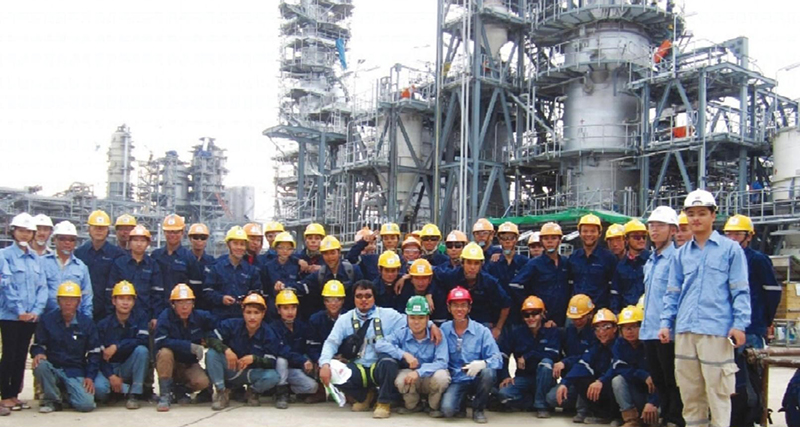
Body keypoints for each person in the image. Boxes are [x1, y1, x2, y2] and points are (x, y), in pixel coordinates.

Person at [659, 189, 751, 427]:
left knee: (718, 392)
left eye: (701, 213)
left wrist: (739, 325)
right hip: (686, 331)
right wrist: (666, 323)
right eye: (691, 214)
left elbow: (740, 291)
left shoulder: (730, 250)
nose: (696, 219)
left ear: (713, 215)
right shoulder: (681, 255)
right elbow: (672, 292)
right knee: (690, 393)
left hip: (716, 331)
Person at [317, 280, 409, 419]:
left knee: (389, 362)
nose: (363, 300)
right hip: (357, 367)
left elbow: (413, 321)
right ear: (353, 298)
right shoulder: (345, 319)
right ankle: (365, 397)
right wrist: (324, 364)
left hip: (379, 366)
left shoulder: (389, 315)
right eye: (359, 296)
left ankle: (383, 403)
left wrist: (431, 326)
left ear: (374, 297)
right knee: (331, 368)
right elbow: (331, 342)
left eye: (368, 296)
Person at [640, 206, 683, 427]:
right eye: (652, 226)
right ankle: (666, 417)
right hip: (649, 329)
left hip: (667, 331)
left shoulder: (676, 259)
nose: (654, 230)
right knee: (658, 379)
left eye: (660, 226)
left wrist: (668, 324)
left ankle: (675, 419)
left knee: (672, 379)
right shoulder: (651, 260)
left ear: (673, 230)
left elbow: (675, 296)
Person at [0, 213, 46, 414]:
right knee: (9, 354)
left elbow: (42, 287)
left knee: (20, 356)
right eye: (21, 230)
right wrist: (19, 310)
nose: (25, 235)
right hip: (10, 316)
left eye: (29, 231)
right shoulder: (4, 256)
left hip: (30, 317)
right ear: (13, 231)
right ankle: (5, 395)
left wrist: (36, 311)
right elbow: (6, 285)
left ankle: (14, 395)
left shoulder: (36, 258)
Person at [31, 282, 100, 413]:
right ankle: (52, 401)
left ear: (79, 302)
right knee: (40, 364)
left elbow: (94, 353)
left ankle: (64, 394)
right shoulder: (47, 320)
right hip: (53, 368)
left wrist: (90, 377)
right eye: (64, 299)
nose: (68, 303)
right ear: (58, 301)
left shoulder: (86, 323)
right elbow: (37, 345)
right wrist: (39, 353)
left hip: (75, 371)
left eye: (72, 300)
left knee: (86, 405)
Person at [375, 296, 450, 416]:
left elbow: (442, 362)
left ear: (427, 319)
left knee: (442, 377)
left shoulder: (437, 335)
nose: (416, 322)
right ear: (407, 318)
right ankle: (413, 405)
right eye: (412, 317)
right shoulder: (402, 333)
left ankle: (433, 406)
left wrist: (419, 372)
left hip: (429, 377)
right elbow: (380, 344)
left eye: (421, 318)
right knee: (401, 380)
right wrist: (403, 354)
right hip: (411, 378)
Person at [205, 292, 282, 410]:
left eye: (256, 313)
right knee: (212, 353)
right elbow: (210, 338)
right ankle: (221, 392)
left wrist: (254, 359)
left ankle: (252, 392)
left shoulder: (269, 333)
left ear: (263, 314)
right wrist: (226, 350)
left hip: (251, 373)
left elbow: (272, 361)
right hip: (231, 368)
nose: (252, 317)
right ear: (243, 312)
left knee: (273, 376)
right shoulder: (231, 324)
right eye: (248, 312)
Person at [439, 287, 502, 423]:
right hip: (457, 379)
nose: (459, 309)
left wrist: (483, 364)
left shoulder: (482, 331)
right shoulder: (443, 329)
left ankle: (478, 409)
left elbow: (498, 358)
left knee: (489, 373)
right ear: (449, 308)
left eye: (463, 305)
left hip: (476, 379)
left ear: (469, 308)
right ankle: (462, 402)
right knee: (448, 410)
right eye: (455, 305)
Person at [723, 214, 781, 349]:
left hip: (751, 328)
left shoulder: (757, 260)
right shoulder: (722, 260)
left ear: (749, 237)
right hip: (725, 327)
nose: (732, 238)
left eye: (737, 234)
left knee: (750, 361)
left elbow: (772, 293)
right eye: (728, 234)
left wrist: (766, 321)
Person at [153, 284, 215, 412]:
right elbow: (160, 341)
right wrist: (188, 346)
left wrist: (208, 339)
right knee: (165, 353)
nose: (185, 307)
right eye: (180, 303)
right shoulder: (165, 316)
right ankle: (165, 395)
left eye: (188, 302)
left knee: (203, 382)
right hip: (171, 363)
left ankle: (179, 390)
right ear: (173, 304)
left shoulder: (200, 317)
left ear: (193, 303)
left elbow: (216, 327)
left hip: (189, 363)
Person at [497, 296, 560, 418]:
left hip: (545, 379)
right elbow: (503, 354)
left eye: (535, 313)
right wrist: (505, 376)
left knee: (546, 363)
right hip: (524, 378)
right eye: (527, 315)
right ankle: (533, 402)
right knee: (503, 395)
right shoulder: (517, 333)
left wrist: (527, 356)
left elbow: (553, 354)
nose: (531, 318)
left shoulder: (552, 331)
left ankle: (542, 406)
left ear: (542, 314)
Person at [555, 308, 620, 424]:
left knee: (617, 381)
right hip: (603, 385)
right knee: (580, 378)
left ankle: (619, 416)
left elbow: (617, 367)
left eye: (606, 327)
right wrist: (565, 383)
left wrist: (601, 381)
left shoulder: (620, 346)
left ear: (615, 328)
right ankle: (602, 415)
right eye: (597, 328)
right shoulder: (597, 346)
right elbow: (583, 363)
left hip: (615, 387)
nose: (601, 332)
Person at [435, 242, 511, 339]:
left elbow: (506, 304)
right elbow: (433, 273)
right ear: (462, 263)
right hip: (456, 322)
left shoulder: (489, 282)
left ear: (481, 265)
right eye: (469, 262)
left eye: (476, 263)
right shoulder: (451, 276)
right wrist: (429, 293)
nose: (472, 267)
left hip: (483, 323)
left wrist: (498, 328)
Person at [93, 281, 150, 409]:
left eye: (129, 299)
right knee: (100, 390)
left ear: (134, 302)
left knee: (142, 351)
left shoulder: (140, 318)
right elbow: (98, 355)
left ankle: (134, 394)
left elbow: (142, 340)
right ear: (114, 301)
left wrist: (117, 346)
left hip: (127, 367)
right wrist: (111, 376)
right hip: (109, 368)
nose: (125, 303)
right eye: (121, 299)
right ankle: (118, 391)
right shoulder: (103, 325)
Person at [547, 294, 597, 421]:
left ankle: (586, 409)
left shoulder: (597, 333)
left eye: (580, 318)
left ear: (590, 314)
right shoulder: (569, 331)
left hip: (590, 377)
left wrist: (565, 362)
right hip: (572, 377)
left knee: (584, 376)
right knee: (551, 398)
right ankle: (575, 404)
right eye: (574, 318)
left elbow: (587, 358)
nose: (577, 321)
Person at [509, 222, 570, 326]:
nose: (550, 242)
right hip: (541, 320)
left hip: (562, 318)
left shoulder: (566, 263)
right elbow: (515, 285)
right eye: (546, 239)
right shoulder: (534, 264)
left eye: (554, 238)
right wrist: (531, 306)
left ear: (560, 240)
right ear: (541, 241)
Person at [609, 305, 659, 427]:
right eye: (625, 328)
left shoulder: (651, 345)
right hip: (635, 391)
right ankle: (631, 420)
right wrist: (643, 375)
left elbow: (662, 377)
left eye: (634, 327)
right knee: (617, 381)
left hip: (655, 396)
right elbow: (618, 367)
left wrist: (652, 402)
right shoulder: (619, 344)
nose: (629, 331)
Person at [108, 225, 163, 328]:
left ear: (148, 243)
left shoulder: (153, 265)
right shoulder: (119, 263)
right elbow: (110, 291)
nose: (139, 244)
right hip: (121, 316)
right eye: (135, 240)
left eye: (142, 241)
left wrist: (155, 316)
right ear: (129, 242)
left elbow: (157, 294)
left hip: (145, 316)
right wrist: (111, 315)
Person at [271, 289, 320, 408]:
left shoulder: (301, 326)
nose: (290, 312)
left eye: (293, 308)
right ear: (278, 310)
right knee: (281, 360)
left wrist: (315, 361)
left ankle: (289, 391)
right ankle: (281, 394)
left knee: (312, 387)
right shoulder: (273, 328)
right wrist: (302, 360)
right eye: (285, 308)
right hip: (277, 369)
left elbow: (308, 347)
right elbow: (282, 350)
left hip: (293, 369)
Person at [75, 209, 126, 320]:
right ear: (89, 229)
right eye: (95, 227)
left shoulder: (117, 254)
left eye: (102, 228)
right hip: (82, 308)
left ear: (108, 230)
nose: (99, 231)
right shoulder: (79, 253)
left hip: (108, 311)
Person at [151, 214, 204, 318]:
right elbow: (153, 288)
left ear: (182, 232)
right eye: (169, 231)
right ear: (164, 232)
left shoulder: (189, 258)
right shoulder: (156, 256)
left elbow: (196, 290)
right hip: (159, 310)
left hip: (182, 311)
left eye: (176, 232)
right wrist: (154, 315)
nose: (172, 235)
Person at [203, 226, 261, 321]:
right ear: (228, 245)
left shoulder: (251, 270)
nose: (239, 247)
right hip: (219, 318)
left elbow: (256, 293)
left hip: (242, 319)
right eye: (235, 243)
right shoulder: (216, 267)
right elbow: (207, 291)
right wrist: (221, 299)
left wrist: (247, 299)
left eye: (242, 244)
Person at [42, 221, 92, 318]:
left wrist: (86, 319)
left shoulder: (81, 267)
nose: (67, 242)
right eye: (62, 239)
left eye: (71, 240)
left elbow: (87, 295)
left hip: (73, 319)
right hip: (46, 318)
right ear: (54, 240)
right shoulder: (42, 263)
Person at [302, 235, 363, 316]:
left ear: (339, 253)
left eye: (333, 253)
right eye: (326, 254)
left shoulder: (353, 271)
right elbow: (302, 285)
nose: (330, 257)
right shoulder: (319, 275)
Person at [568, 213, 617, 309]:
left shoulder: (609, 258)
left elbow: (614, 288)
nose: (589, 234)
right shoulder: (573, 257)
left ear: (599, 233)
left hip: (600, 311)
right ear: (580, 233)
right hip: (578, 312)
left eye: (593, 231)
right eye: (585, 231)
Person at [488, 222, 529, 323]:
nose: (507, 241)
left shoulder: (525, 263)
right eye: (504, 238)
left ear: (516, 239)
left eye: (511, 238)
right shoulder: (493, 264)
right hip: (497, 315)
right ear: (499, 240)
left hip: (520, 316)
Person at [611, 220, 650, 313]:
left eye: (644, 237)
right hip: (627, 316)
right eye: (636, 237)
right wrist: (615, 313)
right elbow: (615, 293)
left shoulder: (652, 261)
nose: (641, 240)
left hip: (647, 313)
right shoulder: (621, 266)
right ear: (626, 239)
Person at [263, 231, 303, 318]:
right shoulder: (268, 267)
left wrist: (287, 286)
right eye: (281, 248)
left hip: (291, 306)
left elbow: (301, 285)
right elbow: (265, 288)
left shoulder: (297, 266)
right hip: (273, 308)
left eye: (288, 248)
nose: (285, 251)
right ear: (276, 248)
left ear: (292, 250)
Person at [308, 280, 346, 361]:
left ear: (343, 301)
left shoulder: (349, 318)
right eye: (329, 300)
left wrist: (346, 357)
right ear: (324, 301)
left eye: (337, 299)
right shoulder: (315, 320)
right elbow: (312, 348)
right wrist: (324, 360)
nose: (333, 303)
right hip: (323, 361)